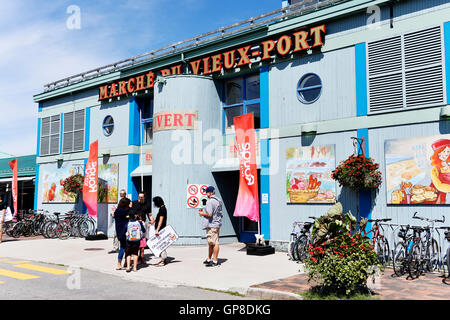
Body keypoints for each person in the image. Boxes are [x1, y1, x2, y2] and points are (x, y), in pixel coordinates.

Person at [198, 186, 223, 267]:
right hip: (217, 224)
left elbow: (209, 214)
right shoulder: (219, 201)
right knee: (211, 242)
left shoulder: (210, 202)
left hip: (212, 224)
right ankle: (209, 259)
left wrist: (202, 214)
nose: (206, 194)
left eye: (207, 192)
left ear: (210, 193)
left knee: (215, 243)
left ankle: (215, 261)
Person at [131, 191, 153, 264]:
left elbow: (149, 215)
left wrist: (152, 220)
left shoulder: (147, 204)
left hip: (143, 224)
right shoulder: (133, 203)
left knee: (143, 242)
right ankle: (136, 257)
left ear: (144, 197)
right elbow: (129, 212)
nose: (140, 198)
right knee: (135, 241)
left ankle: (142, 257)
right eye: (139, 197)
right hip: (134, 225)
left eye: (141, 197)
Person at [430, 139, 450, 204]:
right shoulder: (435, 169)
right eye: (444, 151)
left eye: (448, 151)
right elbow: (438, 185)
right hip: (438, 195)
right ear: (438, 153)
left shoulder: (448, 166)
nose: (446, 154)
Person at [113, 197, 131, 270]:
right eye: (128, 204)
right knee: (125, 247)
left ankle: (120, 263)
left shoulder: (117, 211)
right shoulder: (124, 211)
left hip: (119, 231)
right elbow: (130, 216)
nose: (129, 206)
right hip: (125, 232)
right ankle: (124, 263)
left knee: (122, 247)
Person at [109, 189, 127, 254]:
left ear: (125, 194)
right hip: (118, 222)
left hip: (124, 222)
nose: (121, 195)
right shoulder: (119, 202)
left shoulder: (127, 201)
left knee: (124, 236)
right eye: (120, 194)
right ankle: (115, 248)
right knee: (116, 234)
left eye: (123, 194)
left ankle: (124, 248)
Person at [152, 196, 168, 267]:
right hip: (160, 229)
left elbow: (161, 220)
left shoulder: (162, 209)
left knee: (161, 245)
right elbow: (158, 218)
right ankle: (163, 259)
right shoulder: (162, 208)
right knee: (161, 245)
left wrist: (157, 230)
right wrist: (153, 221)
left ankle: (163, 261)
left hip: (161, 230)